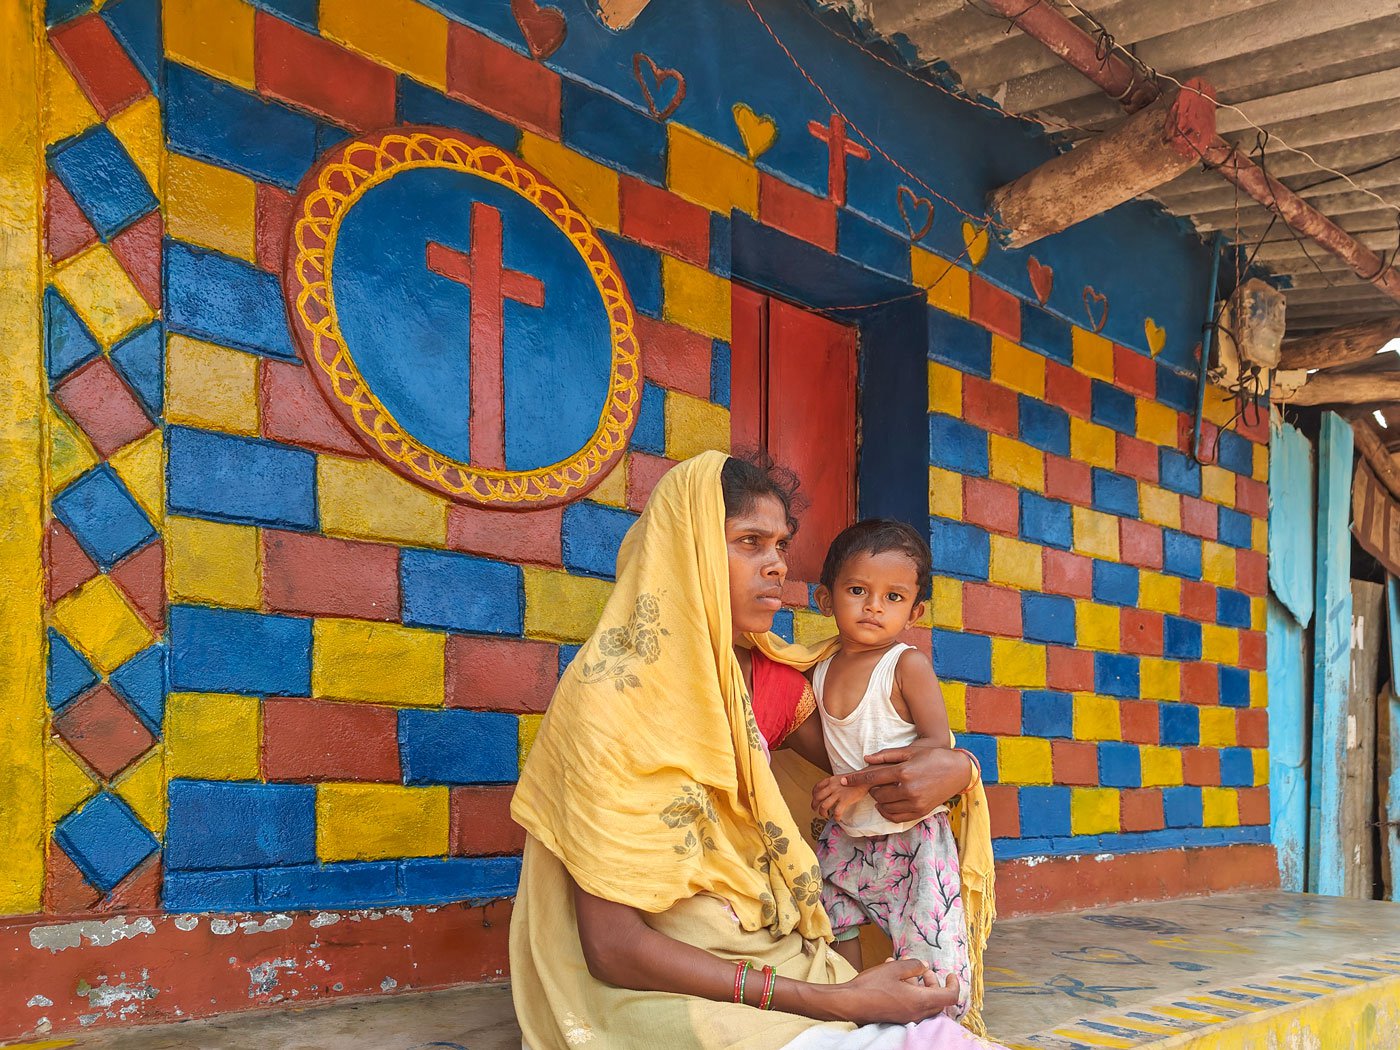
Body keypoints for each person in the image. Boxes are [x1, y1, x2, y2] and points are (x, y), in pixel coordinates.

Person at [509, 451, 999, 1049]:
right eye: (750, 541)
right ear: (686, 552)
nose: (776, 566)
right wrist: (832, 1001)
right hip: (667, 989)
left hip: (777, 954)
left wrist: (958, 765)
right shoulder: (613, 699)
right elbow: (614, 951)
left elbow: (867, 764)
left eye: (781, 546)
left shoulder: (769, 681)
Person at [807, 520, 983, 1029]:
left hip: (913, 836)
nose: (872, 607)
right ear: (825, 598)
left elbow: (936, 745)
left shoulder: (906, 665)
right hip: (850, 833)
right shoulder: (816, 670)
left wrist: (854, 782)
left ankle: (940, 1029)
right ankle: (855, 1016)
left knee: (931, 945)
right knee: (826, 915)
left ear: (916, 610)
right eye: (857, 590)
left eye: (893, 596)